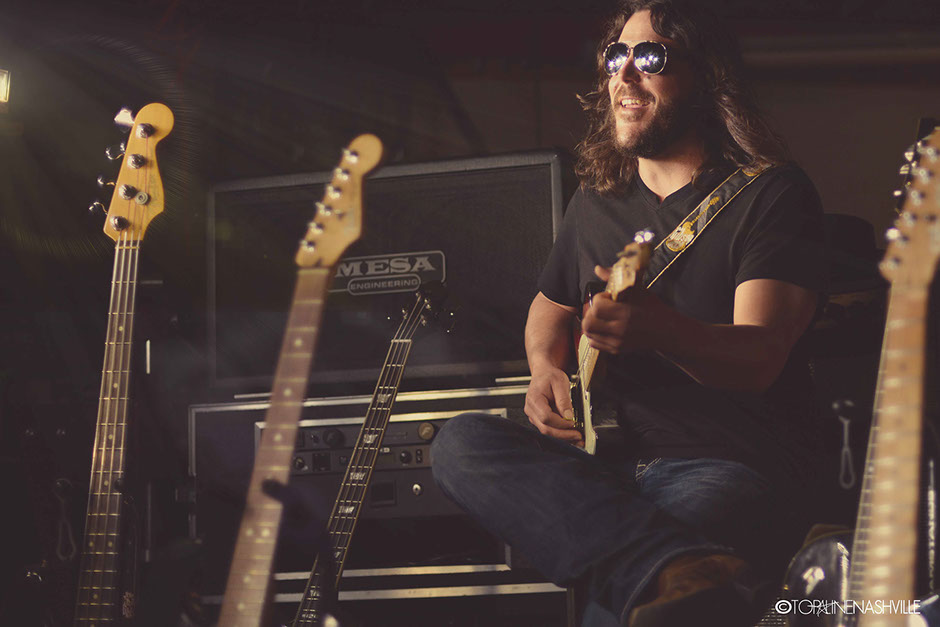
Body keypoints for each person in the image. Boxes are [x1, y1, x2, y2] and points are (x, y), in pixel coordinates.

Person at [431, 0, 828, 625]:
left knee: (625, 599)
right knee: (460, 442)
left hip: (725, 460)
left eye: (650, 56)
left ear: (705, 75)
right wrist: (544, 369)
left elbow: (759, 358)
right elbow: (549, 306)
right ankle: (675, 569)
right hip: (603, 459)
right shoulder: (598, 199)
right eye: (616, 55)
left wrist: (664, 332)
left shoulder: (772, 193)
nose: (624, 72)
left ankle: (665, 572)